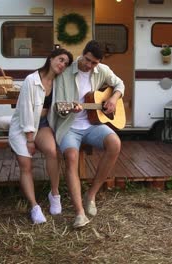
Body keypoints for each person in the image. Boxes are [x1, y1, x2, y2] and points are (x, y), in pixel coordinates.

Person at [49, 40, 124, 228]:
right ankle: (80, 213)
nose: (89, 65)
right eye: (88, 60)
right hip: (69, 126)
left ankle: (91, 195)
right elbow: (58, 107)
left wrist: (113, 98)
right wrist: (68, 110)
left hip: (92, 124)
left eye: (94, 63)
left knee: (115, 143)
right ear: (83, 53)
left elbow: (120, 84)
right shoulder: (65, 72)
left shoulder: (102, 70)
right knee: (71, 156)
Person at [8, 48, 73, 224]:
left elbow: (59, 108)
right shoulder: (32, 80)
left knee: (52, 152)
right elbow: (26, 111)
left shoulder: (59, 82)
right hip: (23, 126)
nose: (62, 65)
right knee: (25, 164)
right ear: (51, 58)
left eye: (66, 63)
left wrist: (72, 108)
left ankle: (54, 193)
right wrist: (30, 139)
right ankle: (34, 206)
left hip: (42, 124)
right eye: (60, 59)